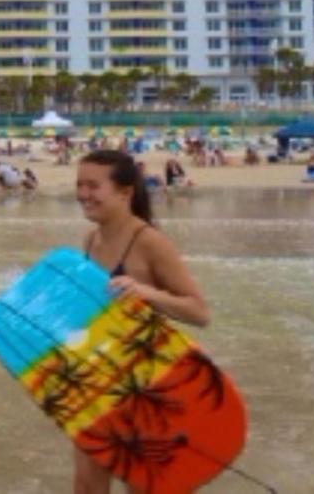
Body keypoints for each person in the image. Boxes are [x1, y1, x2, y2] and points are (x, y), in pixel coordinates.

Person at [74, 149, 210, 493]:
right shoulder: (91, 239)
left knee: (142, 484)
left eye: (93, 186)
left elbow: (199, 312)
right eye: (79, 185)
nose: (83, 194)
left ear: (125, 192)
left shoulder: (149, 242)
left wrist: (147, 293)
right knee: (88, 483)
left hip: (147, 382)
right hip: (97, 376)